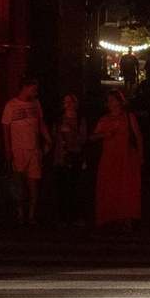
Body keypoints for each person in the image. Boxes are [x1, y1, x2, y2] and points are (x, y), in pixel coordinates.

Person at [90, 89, 143, 230]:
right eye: (108, 100)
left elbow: (138, 136)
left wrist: (140, 155)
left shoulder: (128, 116)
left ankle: (127, 218)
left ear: (119, 101)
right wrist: (104, 133)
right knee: (111, 186)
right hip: (110, 156)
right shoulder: (105, 119)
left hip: (125, 154)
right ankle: (113, 217)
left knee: (126, 187)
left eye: (112, 100)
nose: (110, 103)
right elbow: (93, 136)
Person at [1, 77, 51, 224]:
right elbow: (6, 128)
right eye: (33, 89)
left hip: (33, 149)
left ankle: (31, 214)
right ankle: (20, 212)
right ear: (25, 88)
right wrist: (8, 148)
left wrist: (48, 139)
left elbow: (40, 123)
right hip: (19, 149)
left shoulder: (36, 104)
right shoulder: (11, 106)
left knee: (33, 183)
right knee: (19, 182)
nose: (35, 92)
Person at [52, 92, 91, 226]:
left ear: (75, 104)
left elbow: (83, 139)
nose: (68, 104)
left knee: (75, 187)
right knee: (62, 188)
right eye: (65, 102)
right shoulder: (59, 120)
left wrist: (70, 132)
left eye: (70, 102)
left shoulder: (80, 119)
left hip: (75, 155)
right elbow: (54, 138)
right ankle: (63, 217)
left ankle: (76, 216)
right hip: (61, 157)